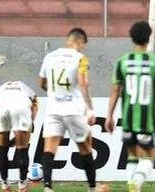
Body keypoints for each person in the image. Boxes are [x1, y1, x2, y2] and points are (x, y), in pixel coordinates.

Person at [105, 20, 155, 192]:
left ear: (132, 38)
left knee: (132, 155)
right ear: (148, 38)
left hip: (128, 118)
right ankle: (136, 181)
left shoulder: (122, 61)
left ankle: (132, 185)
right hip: (146, 120)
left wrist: (109, 115)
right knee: (150, 155)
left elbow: (115, 90)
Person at [37, 27, 99, 192]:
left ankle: (48, 187)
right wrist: (90, 109)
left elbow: (41, 82)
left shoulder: (49, 57)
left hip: (53, 109)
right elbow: (83, 83)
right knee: (85, 146)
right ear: (79, 42)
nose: (82, 48)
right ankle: (92, 188)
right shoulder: (81, 59)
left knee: (49, 148)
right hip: (73, 109)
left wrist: (54, 92)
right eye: (83, 45)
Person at [0, 79, 39, 192]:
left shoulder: (0, 91)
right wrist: (31, 123)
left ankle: (5, 186)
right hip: (21, 108)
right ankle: (23, 186)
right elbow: (35, 105)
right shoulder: (25, 88)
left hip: (1, 110)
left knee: (2, 149)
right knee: (22, 149)